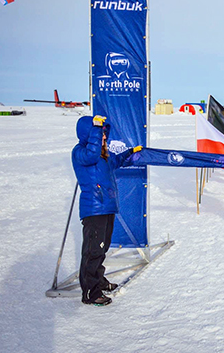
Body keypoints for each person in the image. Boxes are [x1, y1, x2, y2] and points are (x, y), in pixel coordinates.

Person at [72, 115, 142, 306]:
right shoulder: (80, 153)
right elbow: (91, 154)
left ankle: (98, 281)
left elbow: (115, 162)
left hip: (106, 207)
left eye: (104, 135)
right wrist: (96, 128)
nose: (104, 138)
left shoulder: (102, 158)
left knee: (101, 249)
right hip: (94, 209)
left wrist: (129, 153)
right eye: (100, 135)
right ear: (89, 134)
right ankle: (90, 293)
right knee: (92, 251)